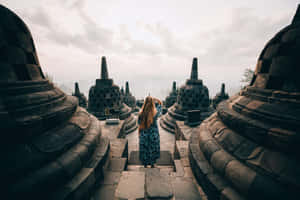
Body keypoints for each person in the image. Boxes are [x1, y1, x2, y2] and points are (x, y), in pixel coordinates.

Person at [138, 96, 162, 168]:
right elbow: (160, 106)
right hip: (153, 134)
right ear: (152, 103)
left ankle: (145, 164)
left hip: (144, 134)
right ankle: (152, 164)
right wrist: (157, 100)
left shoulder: (141, 113)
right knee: (153, 149)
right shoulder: (155, 113)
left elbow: (139, 123)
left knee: (145, 149)